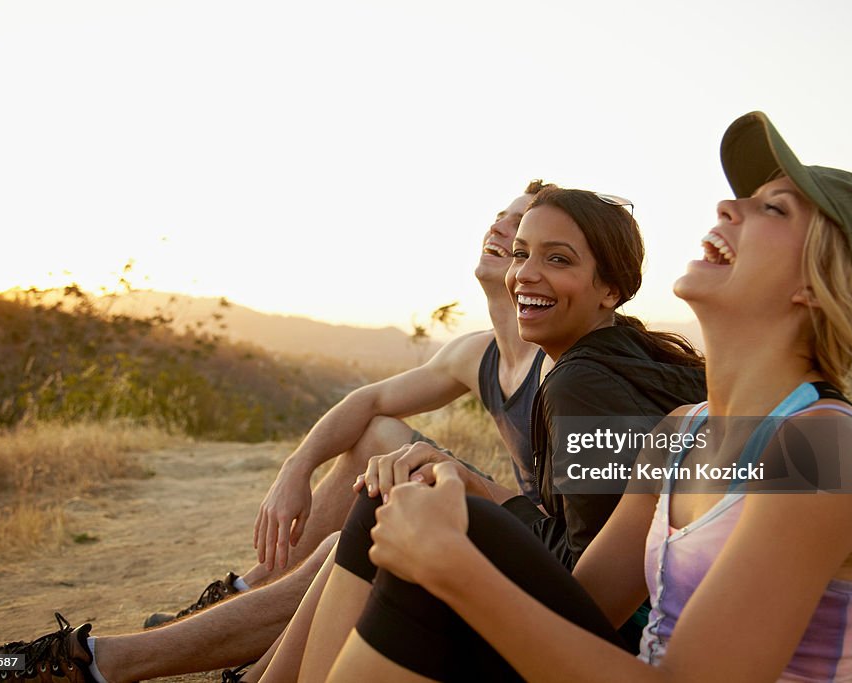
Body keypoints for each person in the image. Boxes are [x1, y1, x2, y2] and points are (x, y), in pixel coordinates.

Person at [301, 112, 852, 682]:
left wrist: (453, 568)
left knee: (441, 547)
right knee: (399, 501)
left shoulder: (824, 452)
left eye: (773, 210)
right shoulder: (680, 432)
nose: (728, 206)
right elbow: (580, 604)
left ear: (816, 284)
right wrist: (459, 503)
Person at [0, 181, 557, 683]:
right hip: (522, 535)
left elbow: (594, 531)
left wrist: (463, 482)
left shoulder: (569, 369)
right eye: (500, 218)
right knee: (379, 435)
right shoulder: (476, 352)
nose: (499, 229)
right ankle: (242, 596)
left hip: (540, 566)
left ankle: (91, 662)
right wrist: (295, 473)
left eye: (521, 228)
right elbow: (367, 400)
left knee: (364, 528)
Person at [270, 183, 708, 682]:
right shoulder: (630, 357)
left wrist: (465, 540)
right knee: (412, 493)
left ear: (610, 288)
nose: (525, 274)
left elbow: (591, 591)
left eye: (559, 260)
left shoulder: (581, 384)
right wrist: (472, 484)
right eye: (522, 254)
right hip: (624, 617)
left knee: (391, 500)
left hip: (614, 644)